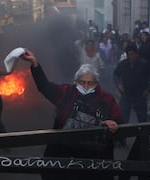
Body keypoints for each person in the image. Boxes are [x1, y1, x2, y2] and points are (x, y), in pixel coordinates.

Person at [20, 49, 121, 180]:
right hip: (64, 152)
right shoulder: (66, 93)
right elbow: (44, 87)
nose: (85, 86)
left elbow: (119, 121)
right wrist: (35, 63)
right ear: (76, 81)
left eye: (90, 83)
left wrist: (112, 123)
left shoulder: (107, 99)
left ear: (96, 83)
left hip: (94, 157)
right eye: (82, 82)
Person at [114, 44, 150, 125]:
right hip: (126, 95)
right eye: (128, 55)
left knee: (142, 120)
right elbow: (116, 74)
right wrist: (118, 84)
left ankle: (143, 137)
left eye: (132, 54)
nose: (130, 57)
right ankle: (123, 136)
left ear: (136, 54)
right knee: (122, 119)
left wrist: (148, 89)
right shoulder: (123, 64)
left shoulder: (144, 64)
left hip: (140, 95)